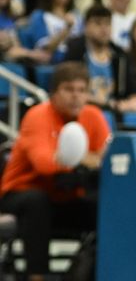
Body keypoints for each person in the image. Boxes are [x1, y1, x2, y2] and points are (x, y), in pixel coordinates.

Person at [0, 62, 110, 281]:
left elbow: (106, 159)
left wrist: (81, 160)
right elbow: (44, 164)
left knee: (105, 206)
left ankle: (91, 273)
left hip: (66, 196)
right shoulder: (38, 116)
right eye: (69, 90)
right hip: (20, 193)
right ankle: (37, 276)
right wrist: (85, 159)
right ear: (54, 93)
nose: (76, 97)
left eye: (82, 90)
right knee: (37, 202)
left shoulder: (94, 116)